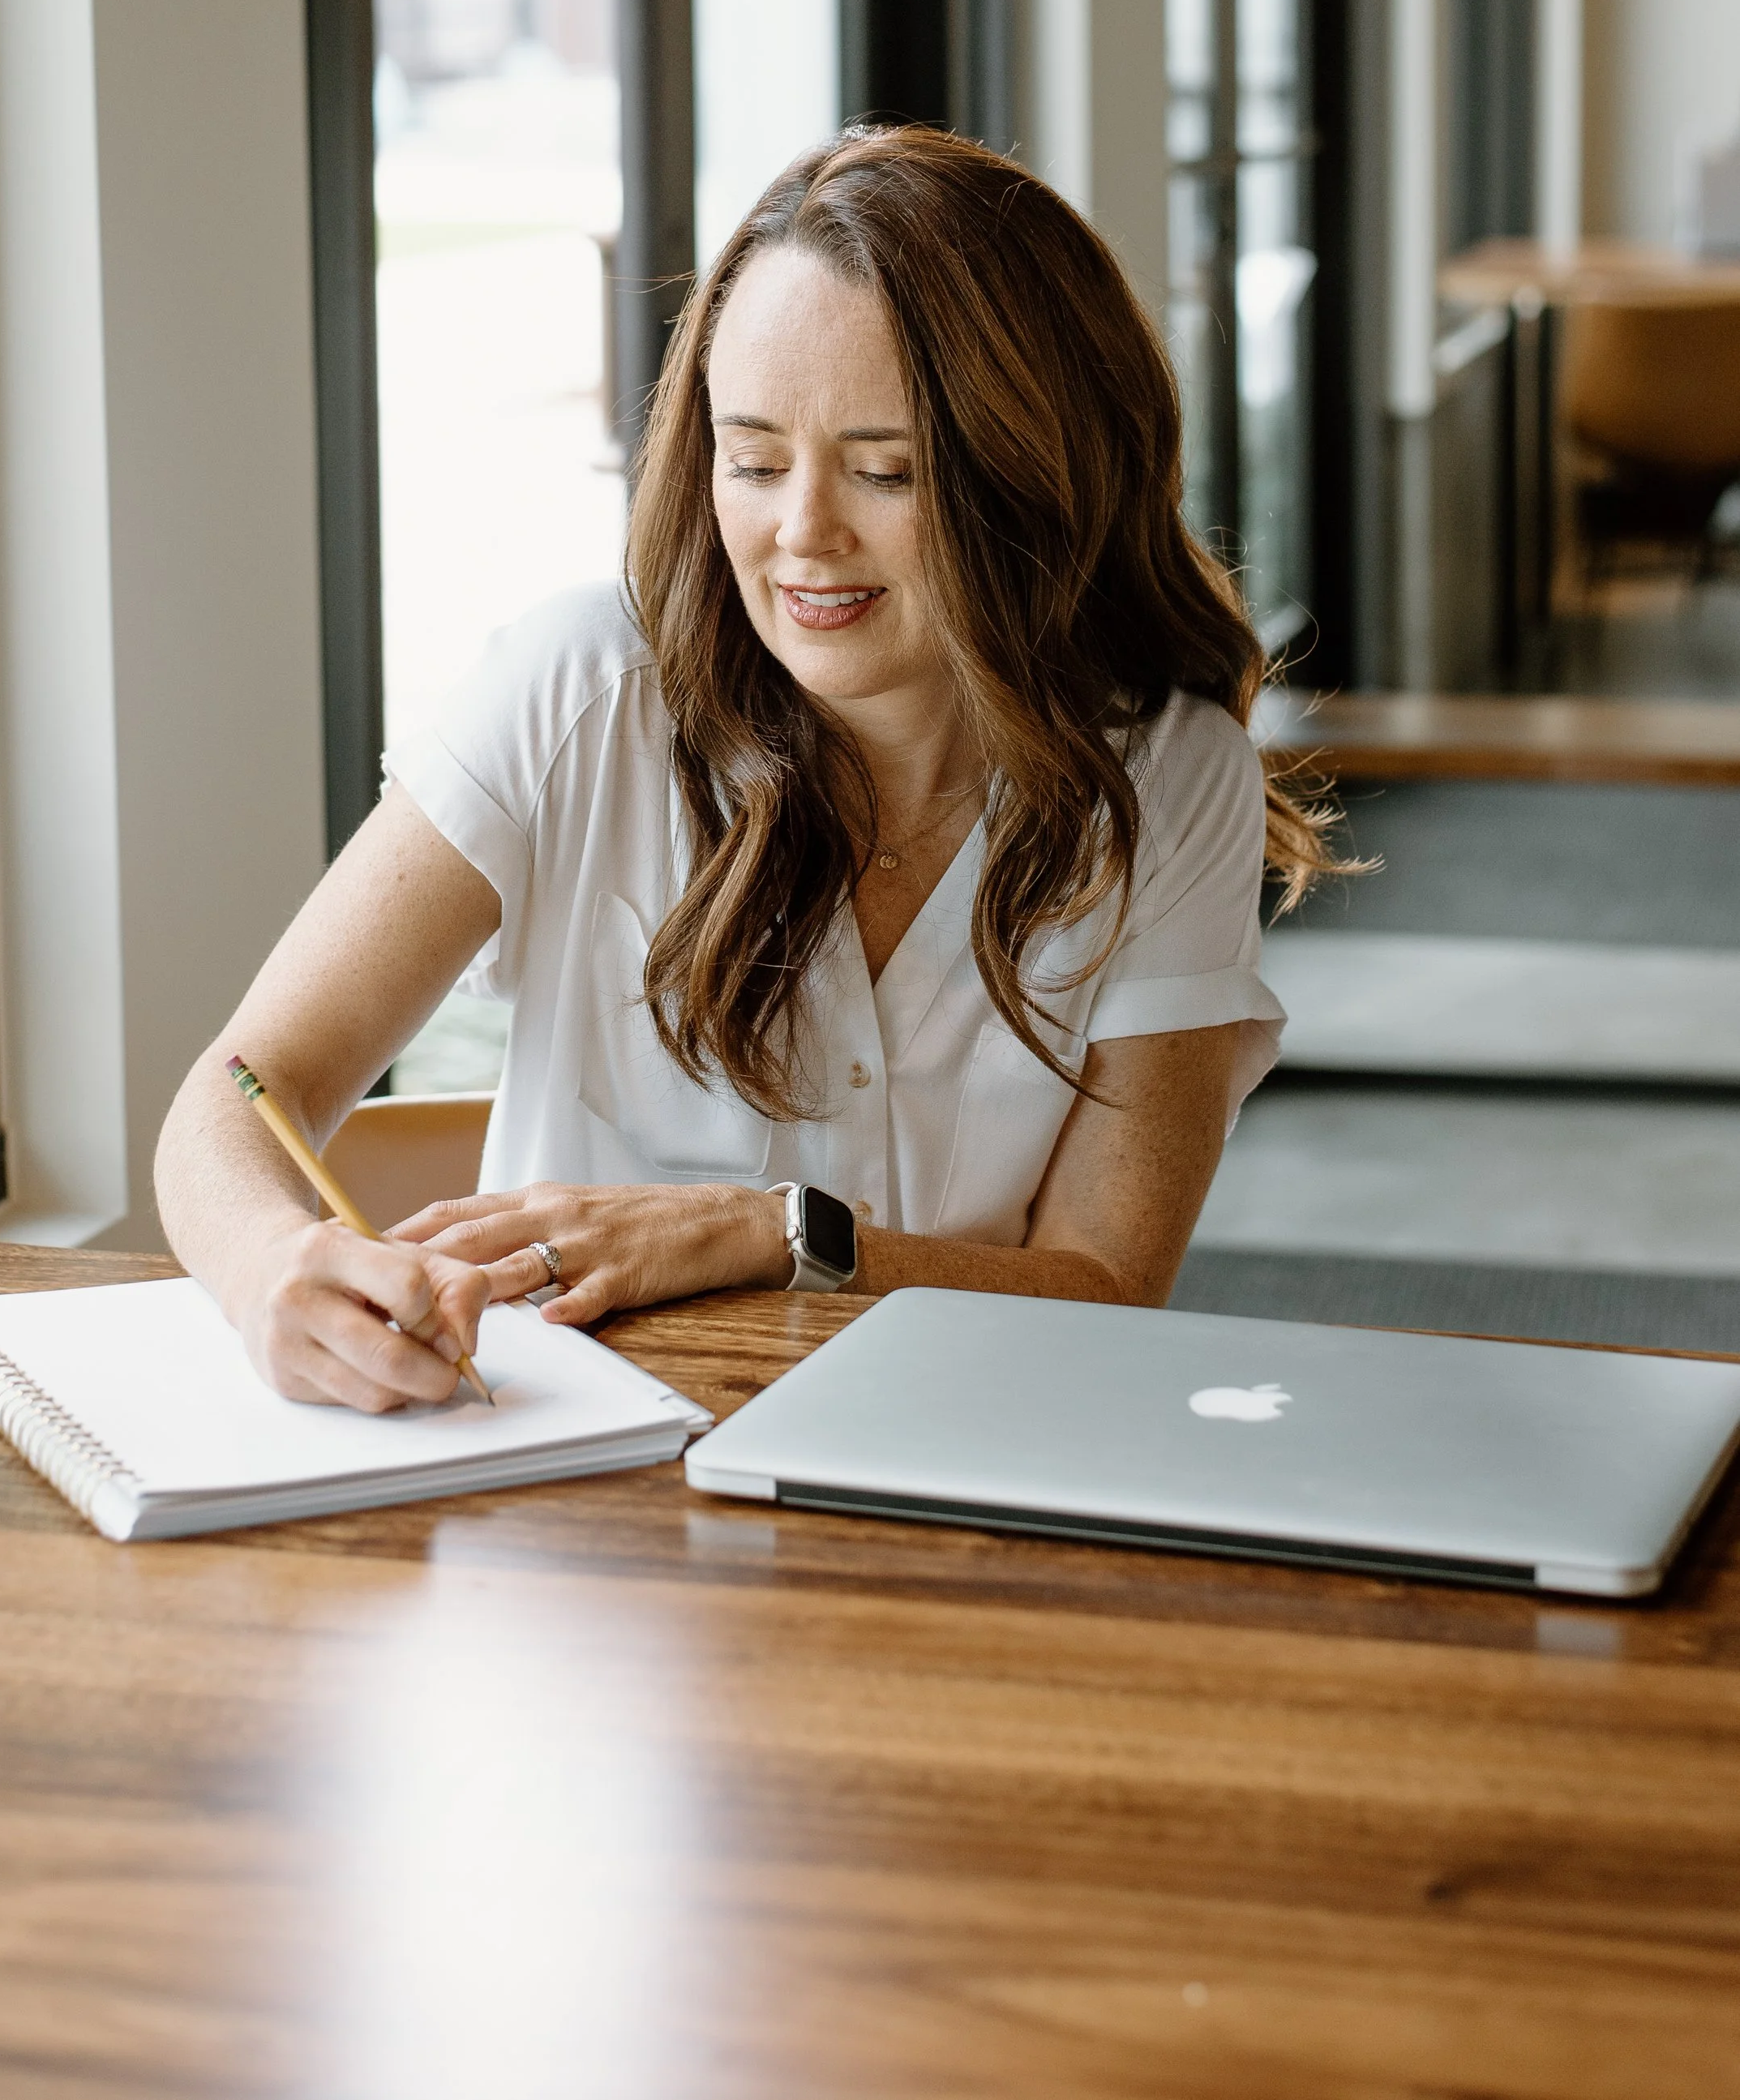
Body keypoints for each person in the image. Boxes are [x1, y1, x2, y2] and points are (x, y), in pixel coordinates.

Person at [156, 126, 1330, 1412]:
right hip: (573, 1500)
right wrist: (273, 1265)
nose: (801, 534)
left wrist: (772, 1234)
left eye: (886, 470)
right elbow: (240, 1091)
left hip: (947, 1470)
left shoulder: (1166, 773)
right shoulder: (576, 693)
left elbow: (1108, 1284)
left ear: (1037, 477)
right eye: (754, 460)